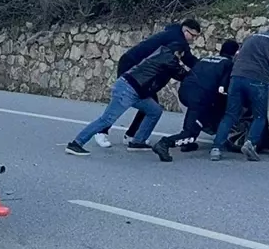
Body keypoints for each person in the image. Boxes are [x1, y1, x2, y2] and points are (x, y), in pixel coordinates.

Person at [67, 42, 191, 156]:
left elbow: (174, 72)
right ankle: (76, 144)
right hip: (128, 89)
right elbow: (181, 73)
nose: (180, 60)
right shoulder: (168, 58)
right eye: (181, 57)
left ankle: (138, 142)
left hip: (137, 90)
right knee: (106, 119)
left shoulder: (162, 53)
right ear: (178, 53)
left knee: (155, 110)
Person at [92, 19, 201, 148]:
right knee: (122, 99)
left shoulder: (175, 36)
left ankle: (132, 135)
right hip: (132, 65)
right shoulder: (176, 39)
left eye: (196, 37)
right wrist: (201, 69)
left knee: (149, 104)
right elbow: (183, 60)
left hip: (142, 71)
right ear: (184, 29)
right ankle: (101, 131)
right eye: (192, 35)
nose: (193, 39)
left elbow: (186, 58)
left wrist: (202, 66)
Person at [211, 19, 269, 162]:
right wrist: (267, 81)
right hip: (258, 80)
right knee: (259, 116)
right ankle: (250, 144)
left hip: (237, 77)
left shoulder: (250, 37)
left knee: (230, 115)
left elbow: (236, 58)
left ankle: (216, 148)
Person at [152, 40, 240, 162]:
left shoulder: (205, 59)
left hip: (185, 92)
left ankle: (187, 142)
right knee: (192, 131)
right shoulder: (228, 64)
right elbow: (222, 89)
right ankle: (165, 143)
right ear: (235, 54)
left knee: (194, 116)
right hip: (200, 97)